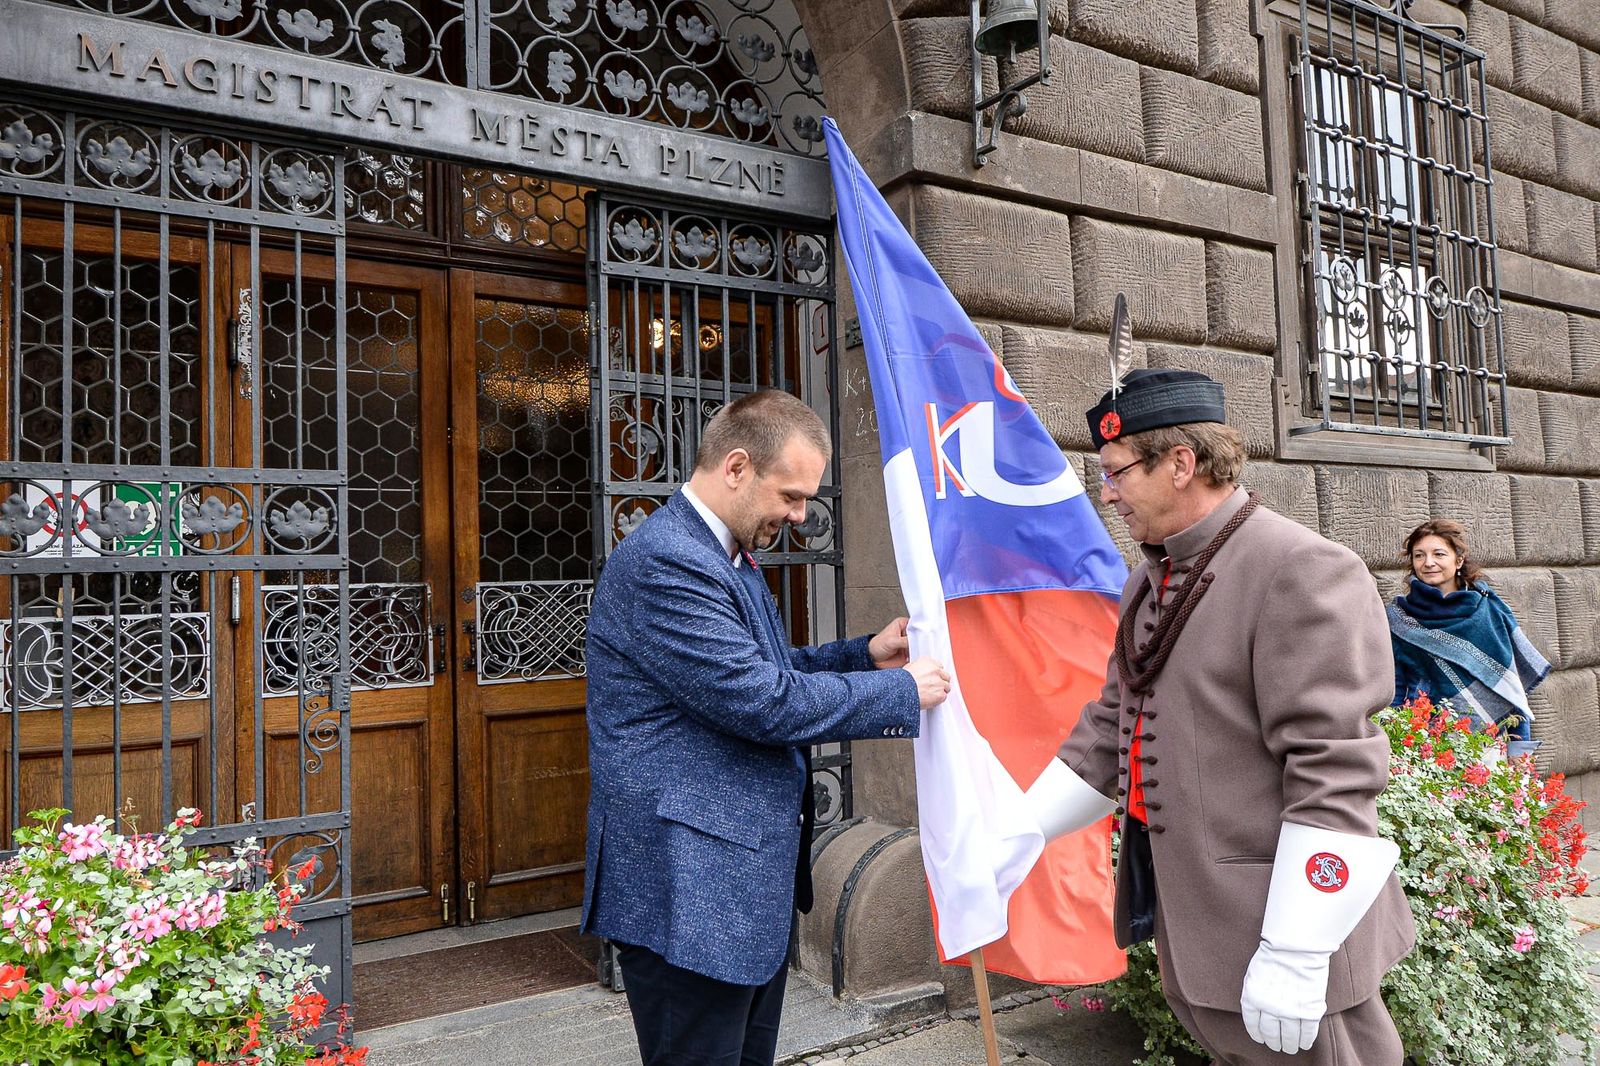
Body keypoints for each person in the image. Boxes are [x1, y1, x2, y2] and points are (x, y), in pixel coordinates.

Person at [1021, 368, 1415, 1064]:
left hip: (1284, 936)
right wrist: (1018, 831)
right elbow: (1115, 724)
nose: (1105, 493)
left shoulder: (1301, 567)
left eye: (1116, 473)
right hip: (1201, 928)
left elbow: (1334, 769)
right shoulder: (1150, 580)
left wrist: (1295, 949)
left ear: (1181, 464)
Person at [581, 389, 951, 1066]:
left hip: (734, 885)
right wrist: (899, 691)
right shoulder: (669, 561)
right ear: (736, 467)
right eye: (791, 495)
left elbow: (762, 672)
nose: (800, 515)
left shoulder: (721, 551)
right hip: (688, 892)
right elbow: (760, 701)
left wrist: (864, 655)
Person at [1389, 519, 1549, 746]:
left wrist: (1519, 748)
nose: (1428, 563)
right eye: (1419, 555)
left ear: (1459, 560)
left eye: (1439, 554)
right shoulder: (1400, 618)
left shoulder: (1489, 610)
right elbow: (1395, 685)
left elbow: (1511, 685)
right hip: (1425, 742)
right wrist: (1394, 742)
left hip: (1489, 742)